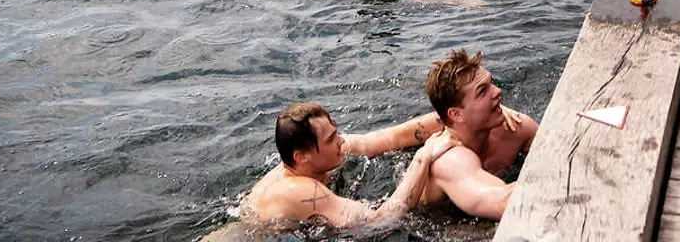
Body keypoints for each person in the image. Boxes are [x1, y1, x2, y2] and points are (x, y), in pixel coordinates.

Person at [230, 102, 451, 230]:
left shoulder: (318, 157)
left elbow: (390, 138)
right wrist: (423, 157)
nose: (342, 141)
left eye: (336, 133)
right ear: (302, 156)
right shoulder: (298, 189)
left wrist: (456, 115)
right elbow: (381, 220)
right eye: (330, 139)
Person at [420, 49, 539, 219]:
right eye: (483, 91)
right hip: (445, 223)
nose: (497, 91)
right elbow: (507, 203)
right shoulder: (449, 160)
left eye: (491, 83)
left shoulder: (515, 128)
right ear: (457, 114)